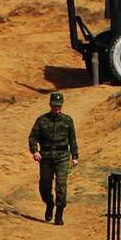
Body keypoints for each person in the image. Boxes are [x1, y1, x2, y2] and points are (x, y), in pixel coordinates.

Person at [28, 91, 80, 224]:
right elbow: (33, 137)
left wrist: (75, 156)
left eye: (58, 107)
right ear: (50, 105)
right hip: (45, 157)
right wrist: (35, 151)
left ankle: (59, 213)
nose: (56, 109)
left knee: (61, 186)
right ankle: (49, 204)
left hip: (62, 156)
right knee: (45, 186)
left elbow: (72, 140)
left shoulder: (68, 120)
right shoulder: (42, 120)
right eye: (54, 106)